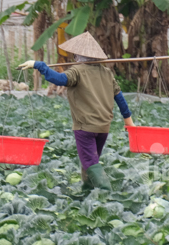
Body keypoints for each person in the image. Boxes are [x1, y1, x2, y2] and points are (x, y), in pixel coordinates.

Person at [18, 32, 133, 191]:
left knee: (90, 162)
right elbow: (119, 97)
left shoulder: (77, 70)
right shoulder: (107, 73)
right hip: (103, 127)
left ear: (78, 56)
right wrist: (128, 120)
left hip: (85, 127)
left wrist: (39, 65)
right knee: (91, 161)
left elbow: (59, 79)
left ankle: (107, 191)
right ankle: (88, 192)